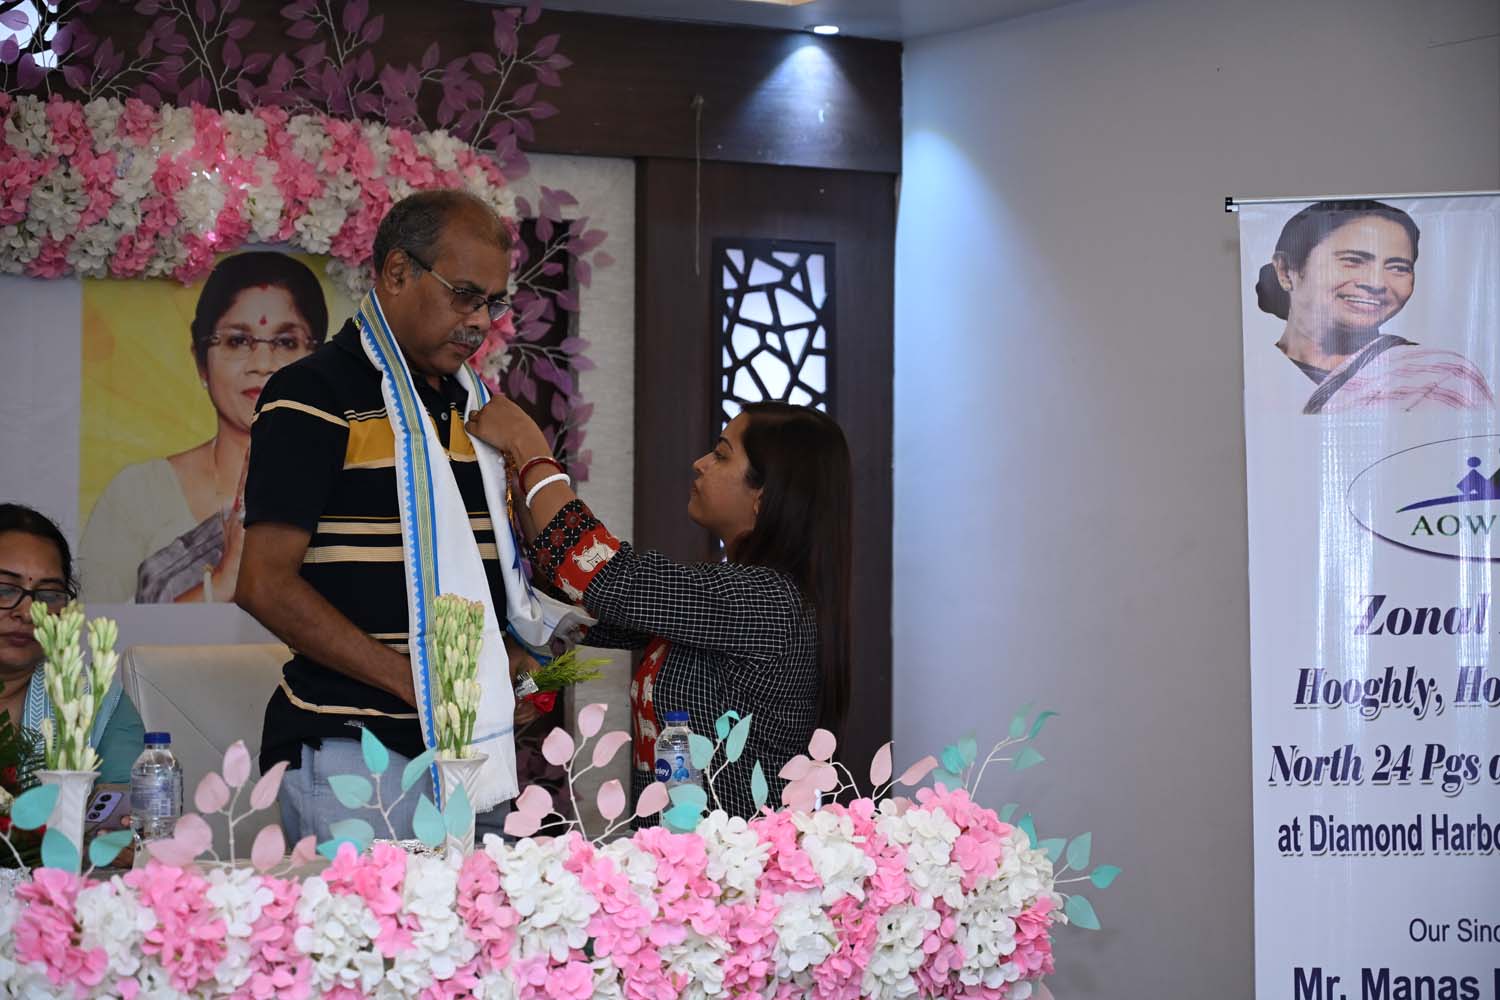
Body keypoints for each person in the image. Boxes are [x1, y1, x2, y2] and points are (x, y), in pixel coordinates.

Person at [236, 191, 580, 846]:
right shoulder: (312, 393)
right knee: (375, 922)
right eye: (464, 295)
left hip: (477, 745)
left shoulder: (480, 409)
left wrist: (510, 661)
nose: (479, 322)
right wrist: (416, 683)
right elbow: (263, 584)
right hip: (356, 745)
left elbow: (512, 574)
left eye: (493, 303)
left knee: (490, 918)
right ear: (397, 272)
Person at [465, 398, 853, 819]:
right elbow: (590, 598)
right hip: (683, 850)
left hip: (732, 853)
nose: (700, 464)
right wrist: (519, 484)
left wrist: (528, 445)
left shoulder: (767, 602)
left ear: (764, 496)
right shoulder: (736, 593)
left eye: (721, 455)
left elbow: (608, 577)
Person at [80, 252, 329, 603]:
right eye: (238, 340)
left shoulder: (350, 493)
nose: (262, 364)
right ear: (201, 362)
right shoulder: (139, 495)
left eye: (286, 342)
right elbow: (93, 632)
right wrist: (224, 581)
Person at [1254, 199, 1493, 414]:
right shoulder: (1254, 374)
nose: (1377, 283)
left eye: (1398, 267)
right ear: (1286, 271)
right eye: (1353, 261)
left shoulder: (1440, 378)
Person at [0, 504, 144, 783]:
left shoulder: (94, 704)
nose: (28, 612)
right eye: (4, 590)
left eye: (48, 595)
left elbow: (136, 802)